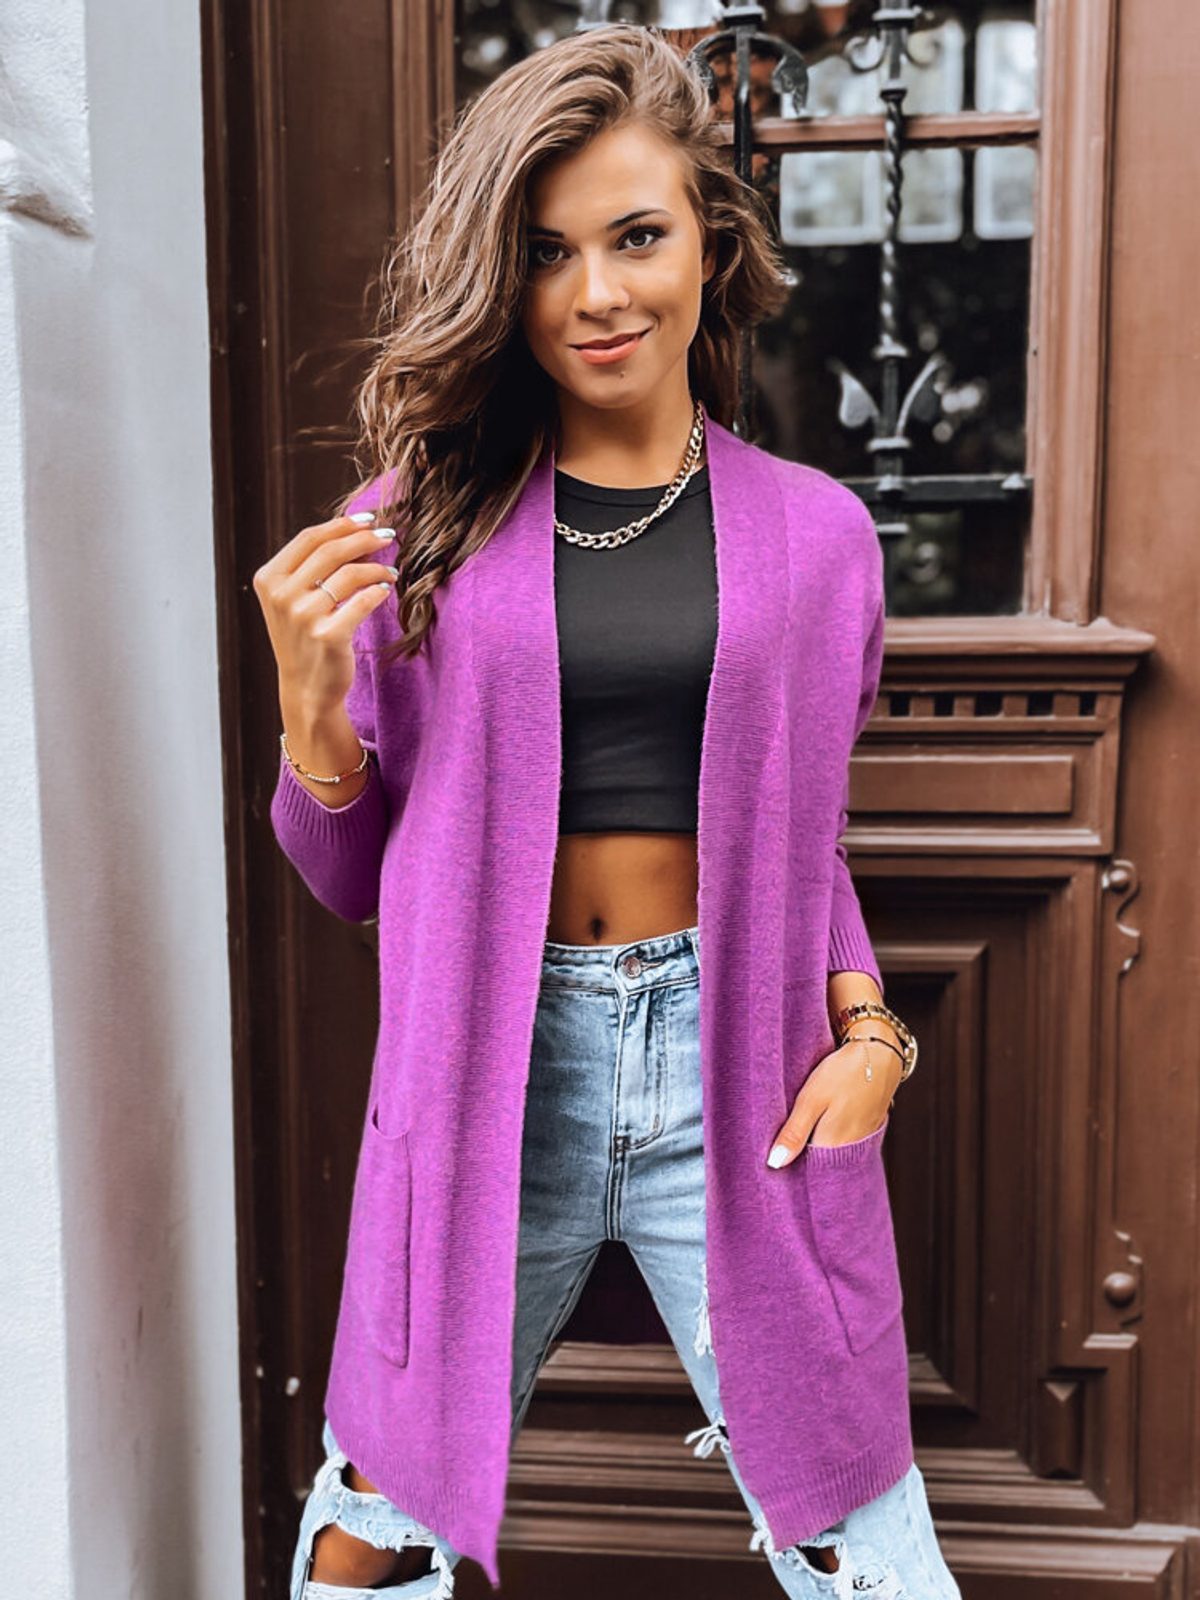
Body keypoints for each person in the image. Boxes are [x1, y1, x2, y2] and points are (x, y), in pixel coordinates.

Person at [255, 23, 960, 1600]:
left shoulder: (820, 538)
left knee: (857, 1529)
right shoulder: (412, 528)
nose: (596, 293)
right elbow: (349, 876)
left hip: (742, 1064)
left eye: (636, 237)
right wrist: (310, 716)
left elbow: (806, 838)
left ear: (711, 243)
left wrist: (869, 1035)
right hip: (491, 1066)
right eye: (546, 253)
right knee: (377, 1519)